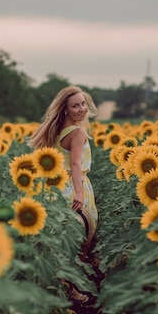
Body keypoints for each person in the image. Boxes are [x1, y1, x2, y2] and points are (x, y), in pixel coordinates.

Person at [29, 86, 98, 302]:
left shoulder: (58, 130)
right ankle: (71, 289)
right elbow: (76, 164)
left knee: (62, 238)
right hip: (74, 186)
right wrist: (79, 192)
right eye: (75, 105)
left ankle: (61, 285)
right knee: (78, 238)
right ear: (65, 109)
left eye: (83, 103)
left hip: (56, 187)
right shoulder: (77, 132)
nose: (82, 109)